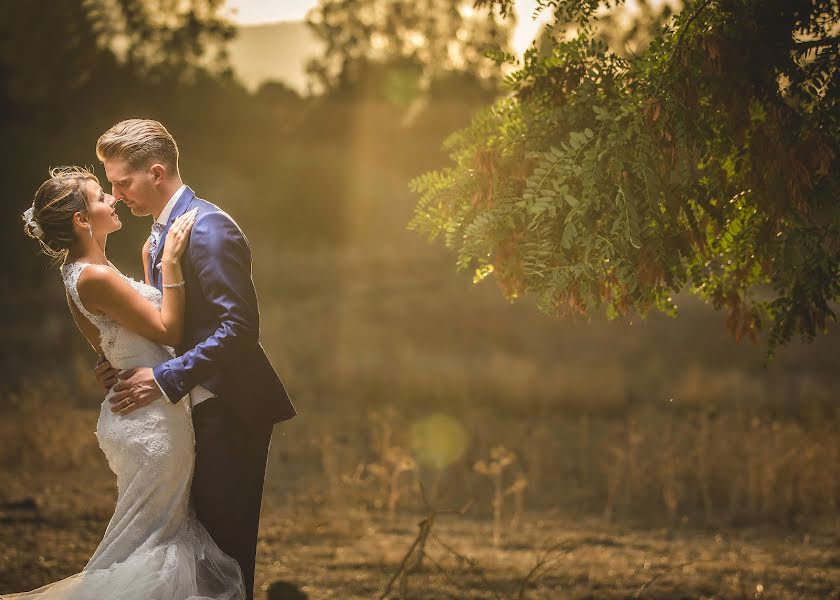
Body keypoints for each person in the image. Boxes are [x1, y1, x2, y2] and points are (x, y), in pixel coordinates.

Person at [9, 166, 244, 599]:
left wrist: (111, 364)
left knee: (145, 543)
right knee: (149, 550)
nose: (112, 199)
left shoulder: (87, 270)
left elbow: (107, 346)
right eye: (101, 196)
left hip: (142, 410)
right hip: (152, 420)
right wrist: (171, 262)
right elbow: (169, 330)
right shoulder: (93, 275)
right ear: (82, 220)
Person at [92, 119, 296, 600]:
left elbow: (240, 329)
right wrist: (128, 365)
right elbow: (172, 327)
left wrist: (162, 378)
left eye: (123, 182)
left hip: (230, 409)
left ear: (156, 173)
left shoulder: (210, 228)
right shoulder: (161, 235)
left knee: (226, 549)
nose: (117, 195)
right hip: (192, 410)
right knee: (195, 549)